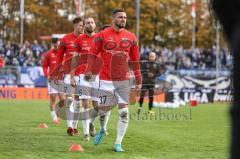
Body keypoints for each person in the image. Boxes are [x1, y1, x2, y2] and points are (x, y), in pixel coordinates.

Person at [85, 8, 142, 152]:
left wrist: (139, 79)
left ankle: (118, 143)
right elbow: (92, 54)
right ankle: (102, 129)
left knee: (124, 112)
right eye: (120, 17)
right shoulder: (102, 35)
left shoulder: (131, 37)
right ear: (113, 19)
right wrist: (88, 70)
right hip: (106, 80)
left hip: (123, 80)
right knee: (103, 111)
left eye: (125, 17)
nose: (123, 19)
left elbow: (135, 60)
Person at [56, 17, 84, 136]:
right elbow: (59, 55)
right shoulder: (66, 39)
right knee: (69, 99)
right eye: (80, 25)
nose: (82, 27)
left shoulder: (86, 39)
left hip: (82, 74)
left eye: (83, 25)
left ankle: (75, 126)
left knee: (78, 102)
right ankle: (69, 126)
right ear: (74, 26)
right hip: (69, 73)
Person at [42, 38, 64, 124]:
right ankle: (54, 118)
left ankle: (57, 114)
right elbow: (44, 66)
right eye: (55, 46)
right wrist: (46, 75)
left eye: (58, 45)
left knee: (62, 100)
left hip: (61, 79)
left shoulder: (63, 54)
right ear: (53, 45)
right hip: (52, 80)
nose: (57, 47)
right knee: (53, 98)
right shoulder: (48, 54)